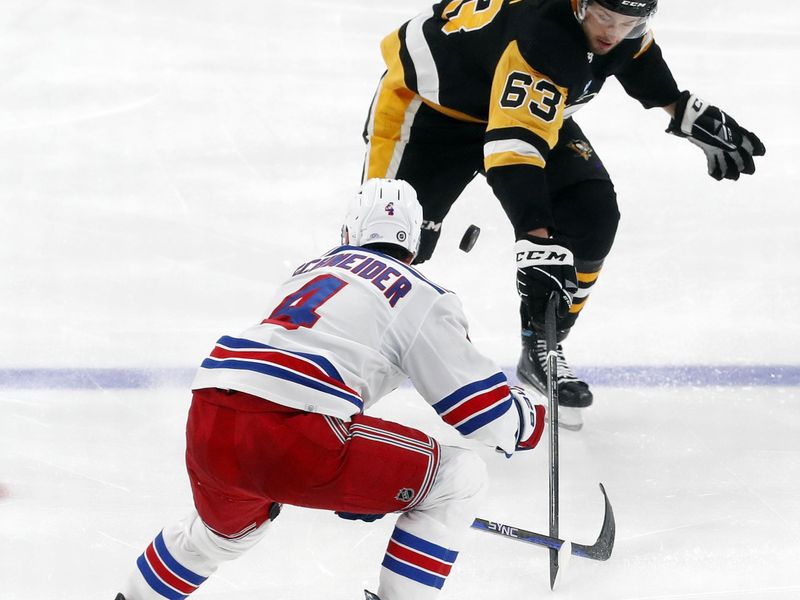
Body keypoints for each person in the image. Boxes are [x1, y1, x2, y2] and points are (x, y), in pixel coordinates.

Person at [115, 178, 546, 600]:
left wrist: (363, 475)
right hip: (295, 432)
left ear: (348, 234)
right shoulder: (419, 293)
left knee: (220, 537)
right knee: (458, 478)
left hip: (212, 413)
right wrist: (529, 417)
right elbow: (486, 415)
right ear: (413, 244)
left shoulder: (307, 272)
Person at [361, 0, 765, 419]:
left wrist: (679, 108)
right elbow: (513, 153)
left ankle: (542, 342)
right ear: (579, 3)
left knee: (592, 213)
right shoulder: (544, 37)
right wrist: (536, 241)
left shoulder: (611, 27)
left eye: (628, 22)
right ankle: (343, 359)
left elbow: (636, 53)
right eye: (605, 18)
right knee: (384, 247)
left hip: (524, 101)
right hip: (430, 110)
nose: (612, 32)